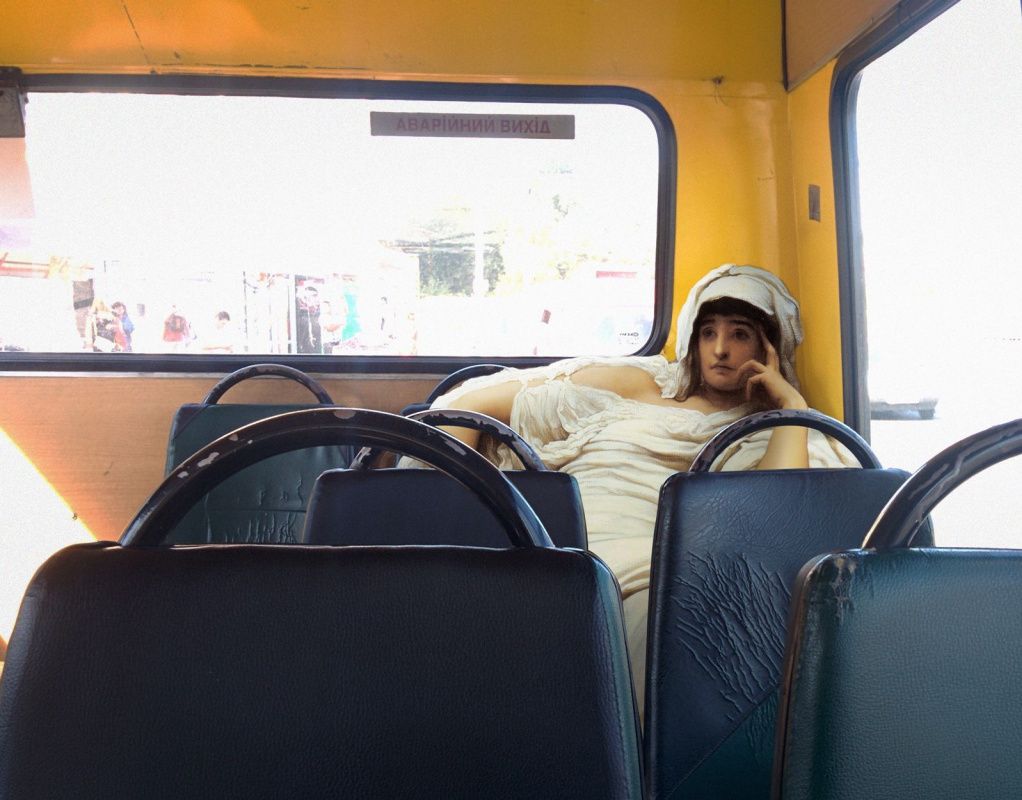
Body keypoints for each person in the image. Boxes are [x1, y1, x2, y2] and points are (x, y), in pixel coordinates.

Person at [403, 264, 856, 711]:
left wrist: (790, 405)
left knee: (665, 639)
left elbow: (775, 511)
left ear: (770, 347)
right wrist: (450, 521)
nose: (720, 349)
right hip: (558, 546)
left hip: (659, 574)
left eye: (740, 334)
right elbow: (471, 406)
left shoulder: (771, 430)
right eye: (708, 333)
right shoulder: (634, 384)